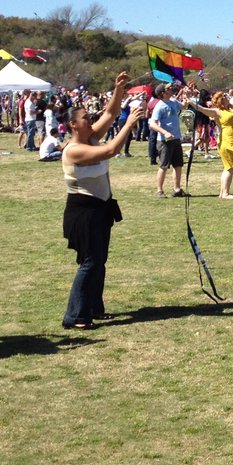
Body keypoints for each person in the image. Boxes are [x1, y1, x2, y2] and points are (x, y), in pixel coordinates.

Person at [60, 72, 148, 330]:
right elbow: (111, 150)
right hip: (83, 212)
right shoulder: (74, 149)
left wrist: (118, 88)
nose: (91, 118)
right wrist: (129, 123)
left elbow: (109, 115)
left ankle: (93, 307)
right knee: (90, 261)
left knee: (99, 260)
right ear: (74, 125)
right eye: (86, 117)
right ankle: (74, 315)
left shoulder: (89, 136)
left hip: (100, 209)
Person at [149, 82, 189, 198]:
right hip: (164, 141)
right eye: (168, 88)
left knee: (178, 165)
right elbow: (153, 124)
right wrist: (165, 132)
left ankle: (177, 189)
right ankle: (159, 191)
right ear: (163, 93)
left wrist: (186, 99)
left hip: (176, 139)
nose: (171, 89)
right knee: (164, 166)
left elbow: (184, 106)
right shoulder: (159, 106)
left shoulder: (173, 102)